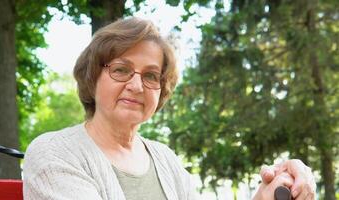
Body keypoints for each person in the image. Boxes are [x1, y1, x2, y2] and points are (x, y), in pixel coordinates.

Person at [23, 17, 315, 200]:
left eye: (151, 75)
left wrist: (267, 194)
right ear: (92, 76)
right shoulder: (54, 153)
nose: (137, 86)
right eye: (121, 70)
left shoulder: (166, 159)